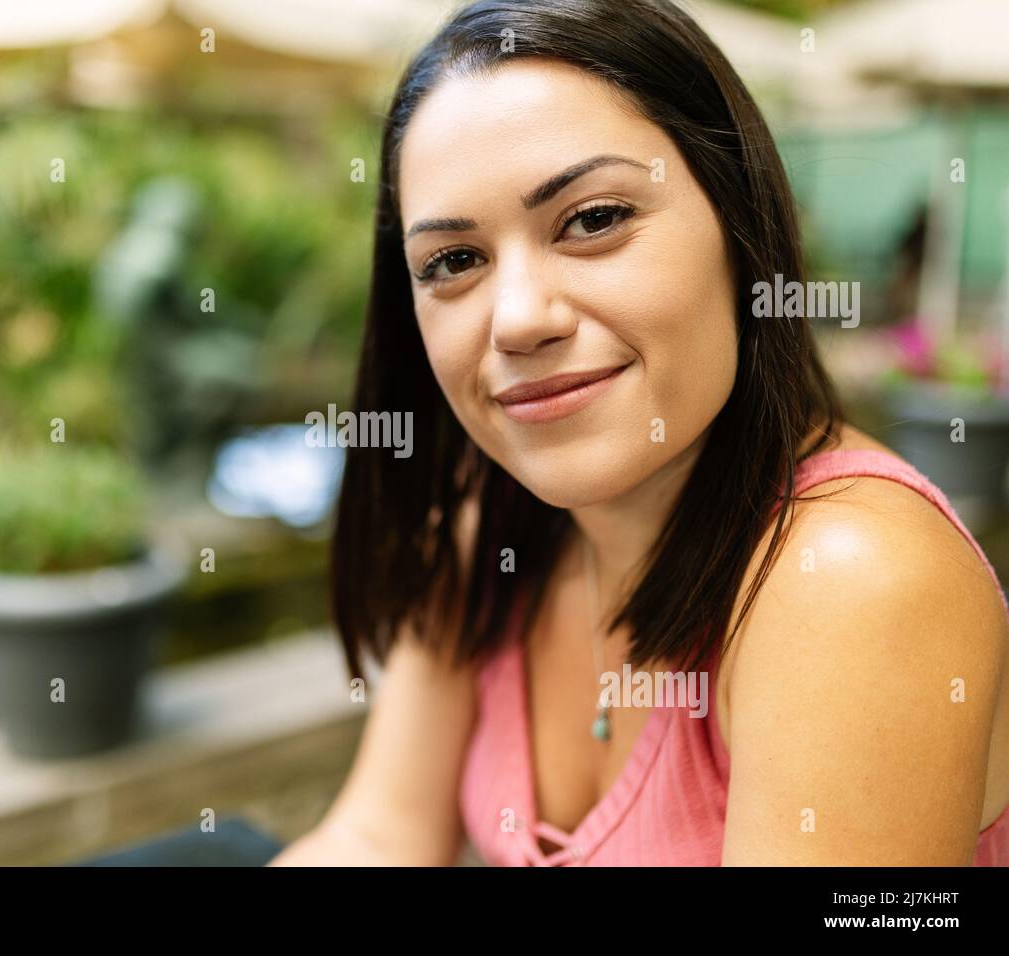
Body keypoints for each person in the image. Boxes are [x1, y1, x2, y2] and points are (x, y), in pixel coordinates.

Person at [268, 0, 1009, 866]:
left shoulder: (847, 579)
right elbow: (377, 835)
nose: (518, 320)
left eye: (593, 219)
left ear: (741, 231)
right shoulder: (492, 532)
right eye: (455, 261)